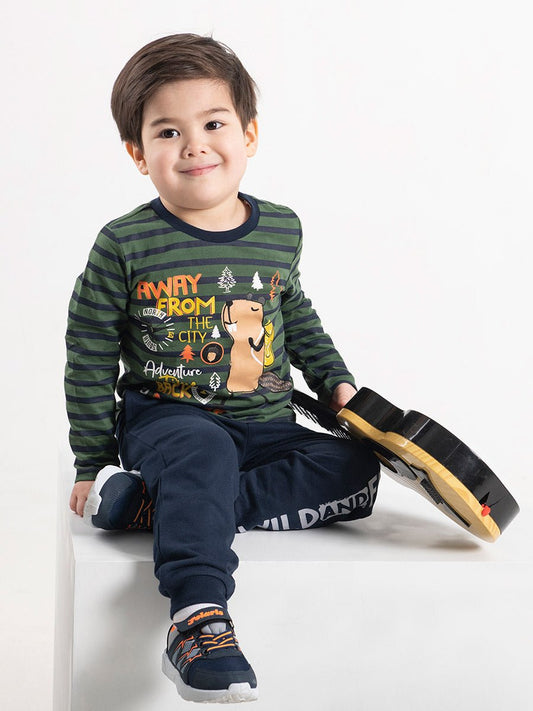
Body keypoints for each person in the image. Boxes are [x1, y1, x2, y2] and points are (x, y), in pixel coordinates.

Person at [65, 33, 380, 704]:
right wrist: (91, 462)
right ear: (137, 153)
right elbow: (89, 350)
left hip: (265, 425)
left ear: (249, 134)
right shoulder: (124, 243)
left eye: (213, 124)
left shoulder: (281, 228)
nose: (194, 146)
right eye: (168, 132)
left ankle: (163, 505)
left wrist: (335, 382)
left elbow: (297, 314)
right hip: (169, 422)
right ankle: (197, 619)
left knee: (356, 470)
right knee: (202, 451)